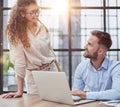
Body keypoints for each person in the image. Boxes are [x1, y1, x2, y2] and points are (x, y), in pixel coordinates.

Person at [3, 0, 61, 98]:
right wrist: (20, 91)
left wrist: (60, 74)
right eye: (32, 12)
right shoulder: (17, 32)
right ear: (22, 14)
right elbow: (19, 62)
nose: (37, 14)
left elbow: (50, 52)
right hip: (34, 77)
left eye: (38, 10)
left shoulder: (42, 27)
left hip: (52, 72)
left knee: (59, 102)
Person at [71, 30, 120, 100]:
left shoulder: (116, 67)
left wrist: (86, 95)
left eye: (89, 44)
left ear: (100, 51)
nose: (85, 46)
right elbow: (76, 94)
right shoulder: (81, 67)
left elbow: (117, 93)